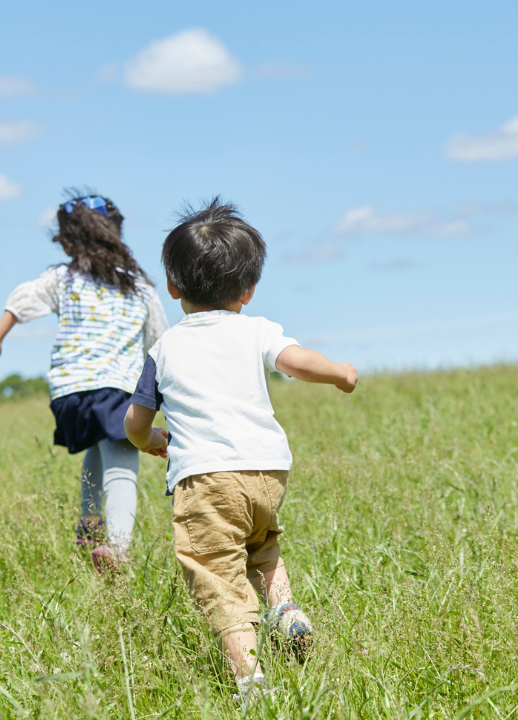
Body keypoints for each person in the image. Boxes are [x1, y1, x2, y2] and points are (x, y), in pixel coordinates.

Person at [123, 199, 358, 701]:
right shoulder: (258, 330)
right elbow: (295, 361)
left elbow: (136, 422)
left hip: (206, 478)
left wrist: (152, 442)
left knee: (217, 574)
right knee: (261, 546)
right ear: (249, 290)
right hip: (267, 473)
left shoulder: (164, 349)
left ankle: (251, 684)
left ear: (173, 287)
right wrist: (338, 371)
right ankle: (286, 609)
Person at [0, 193, 168, 572]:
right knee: (122, 463)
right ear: (116, 235)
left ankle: (89, 526)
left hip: (69, 392)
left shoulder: (62, 279)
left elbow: (23, 299)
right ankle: (117, 548)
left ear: (68, 241)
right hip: (114, 385)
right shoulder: (138, 288)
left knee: (98, 447)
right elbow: (161, 342)